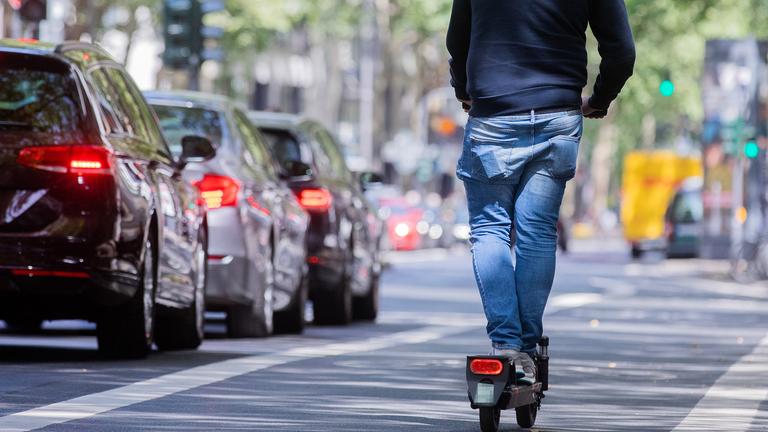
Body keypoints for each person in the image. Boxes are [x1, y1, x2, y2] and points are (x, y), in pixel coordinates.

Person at [447, 0, 635, 380]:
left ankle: (505, 343)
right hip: (557, 117)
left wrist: (464, 89)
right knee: (536, 234)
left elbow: (458, 39)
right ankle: (526, 352)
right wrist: (600, 99)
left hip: (494, 114)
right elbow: (621, 51)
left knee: (489, 229)